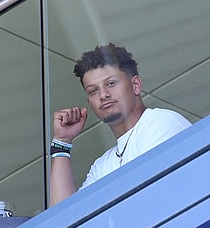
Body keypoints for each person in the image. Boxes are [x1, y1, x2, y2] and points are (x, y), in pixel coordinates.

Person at [49, 42, 192, 206]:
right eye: (93, 91)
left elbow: (154, 203)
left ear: (136, 85)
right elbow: (66, 222)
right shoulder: (102, 166)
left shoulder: (160, 123)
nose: (103, 95)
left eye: (111, 83)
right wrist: (62, 142)